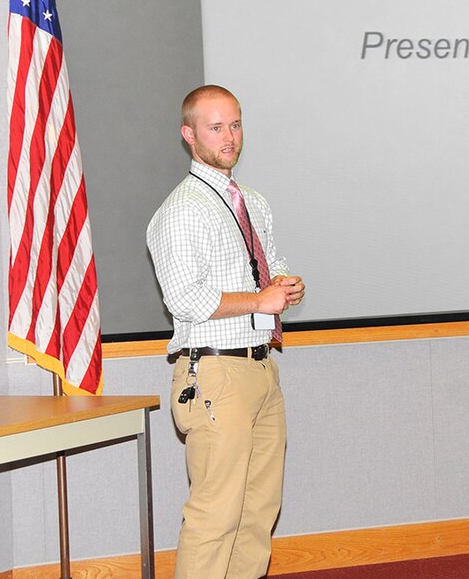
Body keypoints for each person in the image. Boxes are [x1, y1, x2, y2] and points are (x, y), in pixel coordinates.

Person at [147, 84, 305, 578]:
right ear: (189, 135)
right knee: (215, 516)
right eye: (216, 127)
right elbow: (185, 299)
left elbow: (268, 268)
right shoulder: (182, 209)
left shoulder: (251, 201)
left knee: (258, 511)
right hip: (214, 373)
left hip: (259, 368)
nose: (229, 137)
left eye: (234, 124)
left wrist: (284, 283)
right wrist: (260, 300)